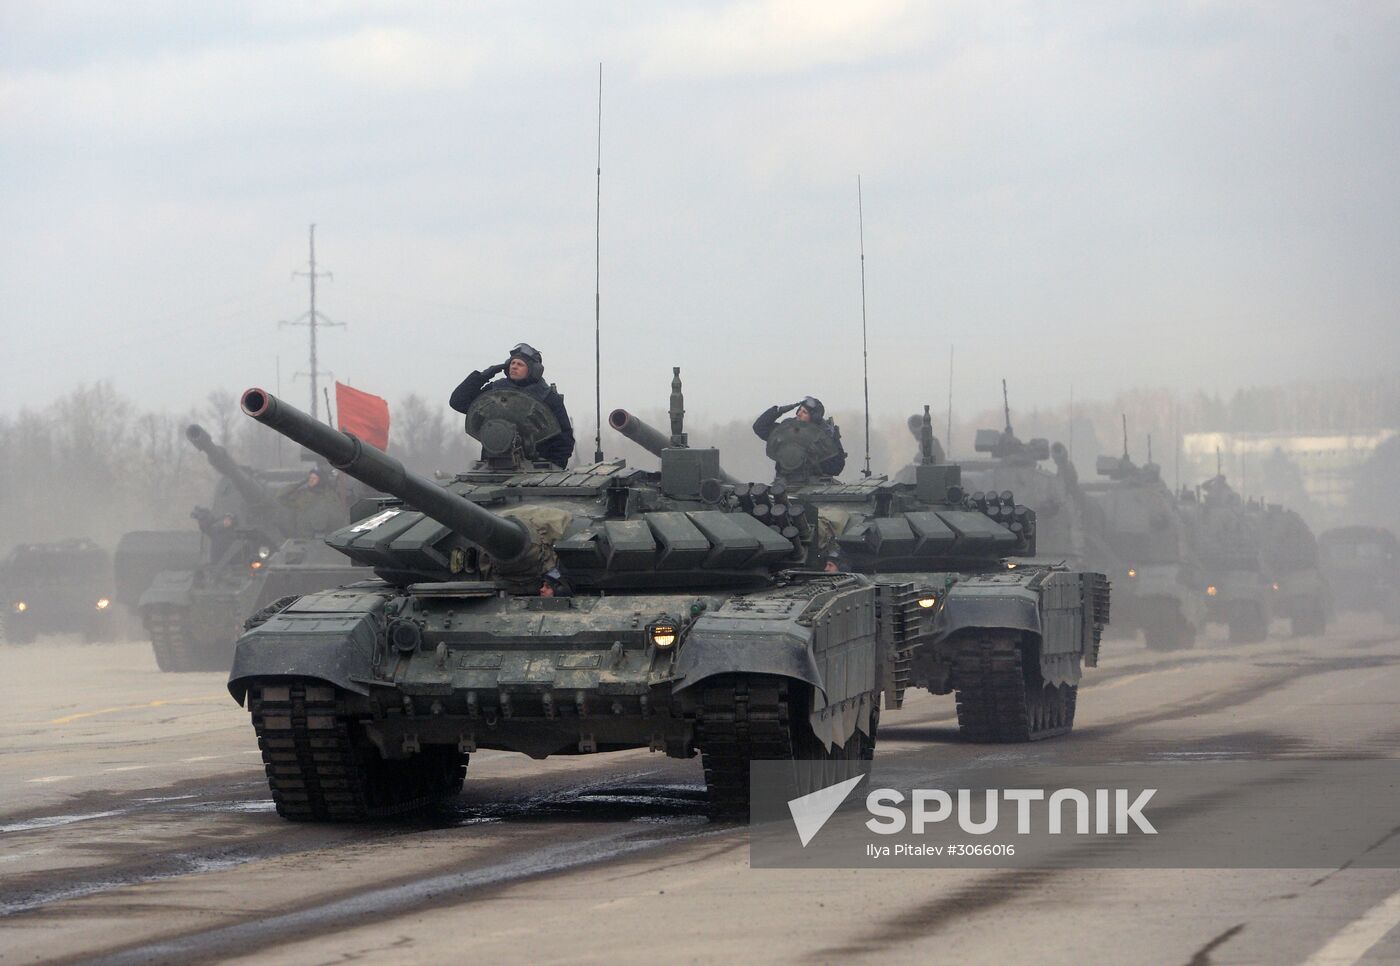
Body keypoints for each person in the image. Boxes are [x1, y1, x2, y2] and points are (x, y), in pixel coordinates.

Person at [449, 343, 574, 468]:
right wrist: (483, 376)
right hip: (495, 467)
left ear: (533, 370)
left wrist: (553, 467)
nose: (514, 367)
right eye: (512, 363)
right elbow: (458, 402)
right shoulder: (495, 392)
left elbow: (564, 439)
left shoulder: (547, 397)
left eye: (520, 364)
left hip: (535, 469)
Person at [752, 396, 846, 477]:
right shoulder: (786, 431)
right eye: (799, 410)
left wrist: (813, 462)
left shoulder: (824, 436)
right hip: (785, 482)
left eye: (804, 412)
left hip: (815, 484)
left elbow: (837, 466)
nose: (799, 414)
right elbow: (760, 427)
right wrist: (778, 410)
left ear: (814, 417)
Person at [279, 466, 350, 538]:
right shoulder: (302, 495)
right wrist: (301, 482)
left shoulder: (330, 495)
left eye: (314, 478)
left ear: (321, 480)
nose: (311, 480)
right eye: (309, 478)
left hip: (329, 536)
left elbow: (339, 514)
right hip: (306, 537)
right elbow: (281, 497)